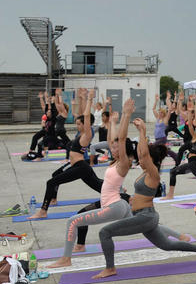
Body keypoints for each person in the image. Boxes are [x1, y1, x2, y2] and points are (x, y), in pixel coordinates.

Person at [93, 118, 196, 279]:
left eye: (144, 158)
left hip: (146, 216)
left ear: (151, 160)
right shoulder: (145, 172)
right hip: (142, 216)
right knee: (167, 245)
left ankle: (110, 268)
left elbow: (143, 154)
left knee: (105, 232)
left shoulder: (153, 173)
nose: (140, 160)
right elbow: (141, 155)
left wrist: (142, 131)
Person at [47, 99, 138, 268]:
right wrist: (112, 123)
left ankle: (66, 259)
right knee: (147, 226)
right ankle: (179, 238)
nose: (113, 147)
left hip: (114, 206)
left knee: (72, 221)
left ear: (124, 149)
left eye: (117, 146)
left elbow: (122, 137)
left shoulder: (124, 162)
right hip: (116, 205)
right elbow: (113, 140)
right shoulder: (115, 161)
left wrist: (126, 115)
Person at [29, 89, 103, 219]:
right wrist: (81, 98)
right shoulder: (80, 133)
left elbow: (85, 116)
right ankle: (121, 194)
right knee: (98, 185)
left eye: (79, 124)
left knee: (51, 182)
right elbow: (80, 114)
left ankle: (43, 211)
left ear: (86, 124)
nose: (77, 125)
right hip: (78, 166)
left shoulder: (88, 133)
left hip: (80, 166)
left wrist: (90, 99)